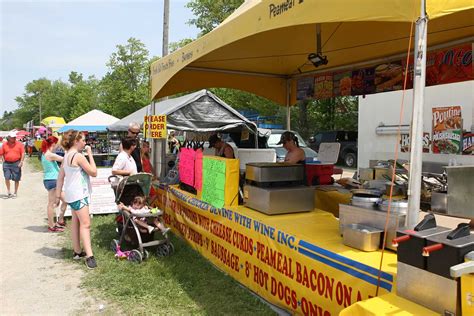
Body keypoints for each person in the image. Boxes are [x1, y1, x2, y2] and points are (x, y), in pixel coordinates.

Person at [55, 130, 97, 269]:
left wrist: (57, 195)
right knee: (86, 224)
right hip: (79, 194)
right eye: (83, 140)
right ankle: (89, 256)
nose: (85, 143)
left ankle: (77, 251)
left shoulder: (67, 155)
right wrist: (90, 154)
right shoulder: (78, 156)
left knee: (75, 222)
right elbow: (94, 172)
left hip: (71, 194)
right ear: (76, 141)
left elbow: (60, 177)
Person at [41, 136, 68, 232]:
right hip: (52, 180)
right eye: (56, 144)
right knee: (51, 204)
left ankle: (59, 220)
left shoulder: (45, 153)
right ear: (53, 144)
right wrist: (66, 151)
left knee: (65, 200)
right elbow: (65, 159)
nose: (58, 146)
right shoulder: (50, 155)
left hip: (50, 180)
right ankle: (51, 225)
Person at [0, 131, 25, 199]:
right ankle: (8, 191)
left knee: (16, 178)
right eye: (12, 137)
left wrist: (21, 161)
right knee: (7, 177)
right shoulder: (5, 144)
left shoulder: (19, 144)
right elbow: (1, 153)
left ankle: (15, 193)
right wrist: (2, 159)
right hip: (7, 163)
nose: (13, 138)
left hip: (16, 162)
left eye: (14, 137)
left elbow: (23, 153)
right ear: (9, 138)